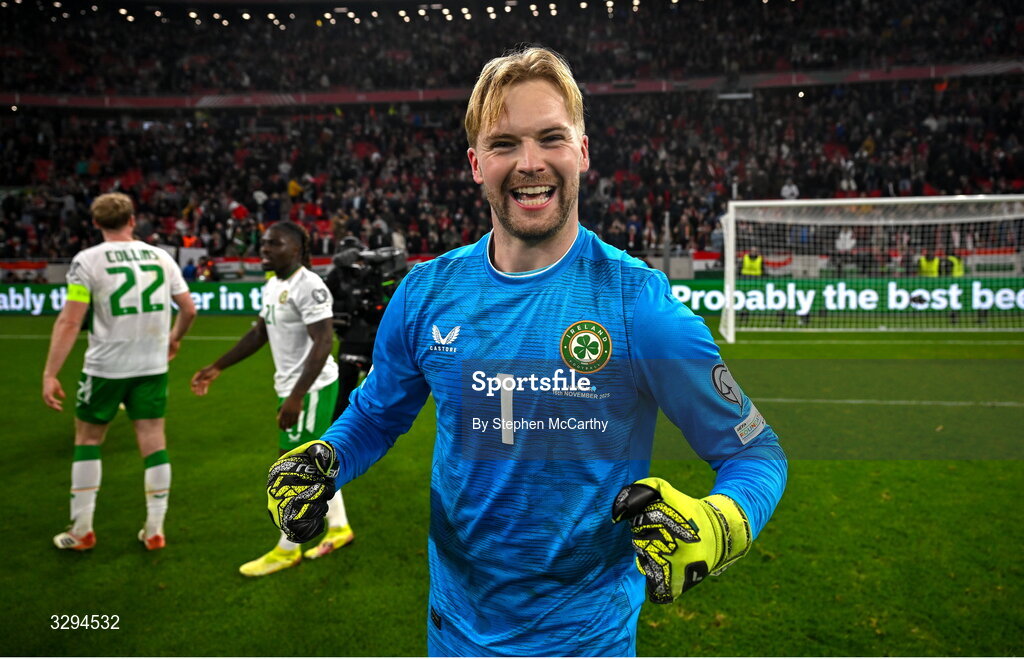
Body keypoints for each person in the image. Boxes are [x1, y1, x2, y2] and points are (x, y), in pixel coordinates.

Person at [267, 47, 786, 656]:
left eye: (551, 138)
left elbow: (756, 453)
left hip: (587, 641)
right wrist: (325, 459)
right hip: (453, 633)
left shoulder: (638, 306)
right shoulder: (424, 296)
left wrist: (722, 523)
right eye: (504, 143)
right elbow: (377, 415)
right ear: (476, 163)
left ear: (583, 152)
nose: (530, 163)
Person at [190, 220, 354, 576]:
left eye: (273, 244)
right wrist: (217, 367)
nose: (264, 249)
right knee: (313, 464)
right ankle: (339, 528)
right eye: (263, 243)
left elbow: (324, 342)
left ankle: (287, 549)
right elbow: (259, 334)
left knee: (293, 468)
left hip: (310, 389)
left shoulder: (309, 286)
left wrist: (296, 397)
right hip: (295, 388)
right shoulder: (273, 285)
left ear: (295, 249)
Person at [42, 192, 197, 552]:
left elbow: (70, 320)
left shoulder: (87, 261)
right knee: (154, 442)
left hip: (106, 368)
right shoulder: (161, 257)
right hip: (151, 365)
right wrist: (174, 340)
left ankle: (82, 530)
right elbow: (188, 309)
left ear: (96, 224)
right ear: (132, 220)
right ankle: (155, 529)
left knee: (89, 440)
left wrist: (51, 372)